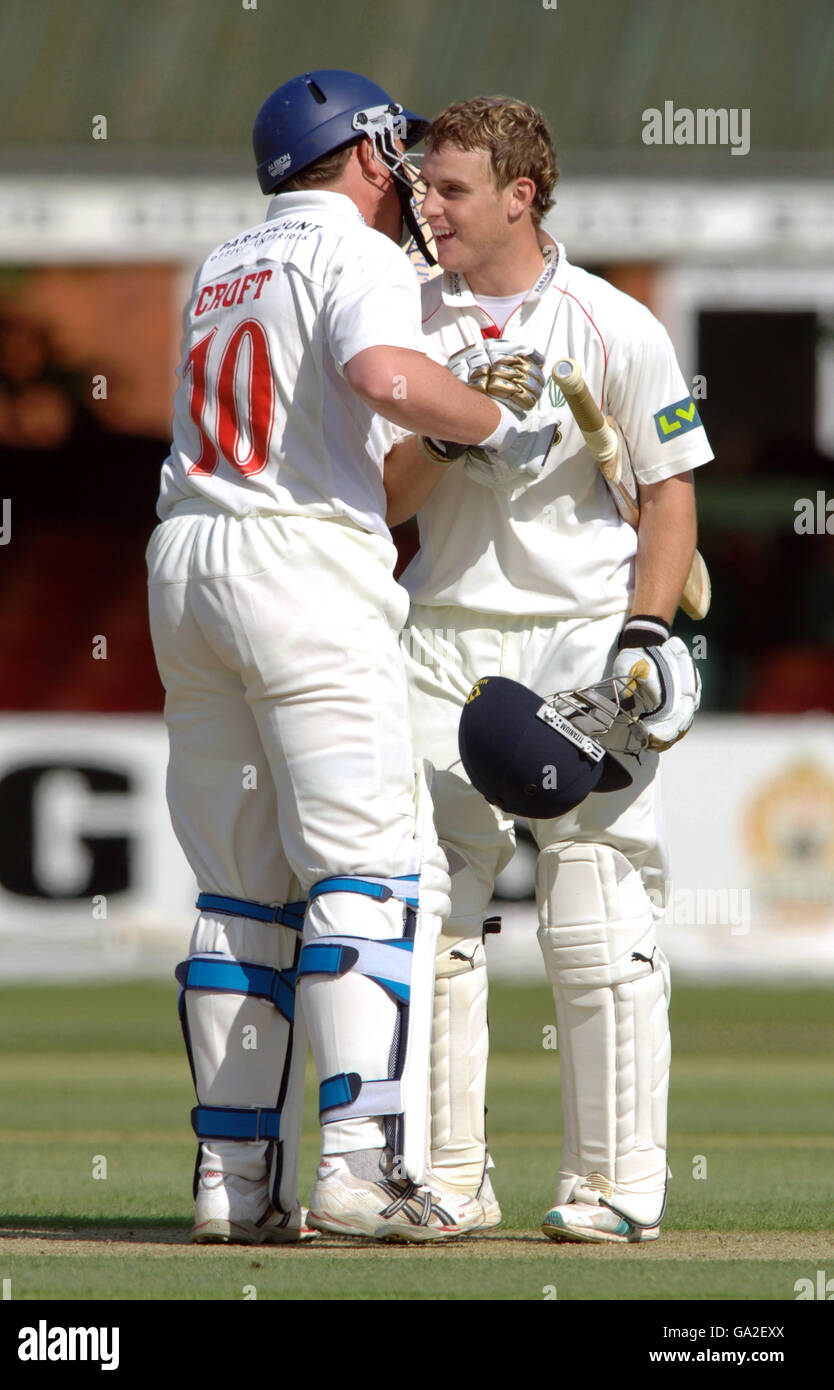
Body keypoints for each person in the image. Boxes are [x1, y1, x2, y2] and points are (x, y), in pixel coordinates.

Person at [145, 71, 547, 1244]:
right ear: (359, 151)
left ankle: (232, 1179)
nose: (411, 169)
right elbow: (382, 378)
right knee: (371, 872)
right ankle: (361, 1168)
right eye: (397, 146)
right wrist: (489, 417)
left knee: (237, 892)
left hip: (188, 553)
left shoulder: (223, 260)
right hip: (299, 562)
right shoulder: (357, 254)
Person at [383, 95, 712, 1242]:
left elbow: (666, 491)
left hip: (580, 629)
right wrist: (446, 431)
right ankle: (443, 1178)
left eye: (449, 188)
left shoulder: (614, 323)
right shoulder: (401, 315)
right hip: (437, 628)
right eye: (421, 185)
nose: (424, 203)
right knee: (427, 909)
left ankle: (615, 1186)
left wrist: (644, 631)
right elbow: (372, 505)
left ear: (520, 196)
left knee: (595, 896)